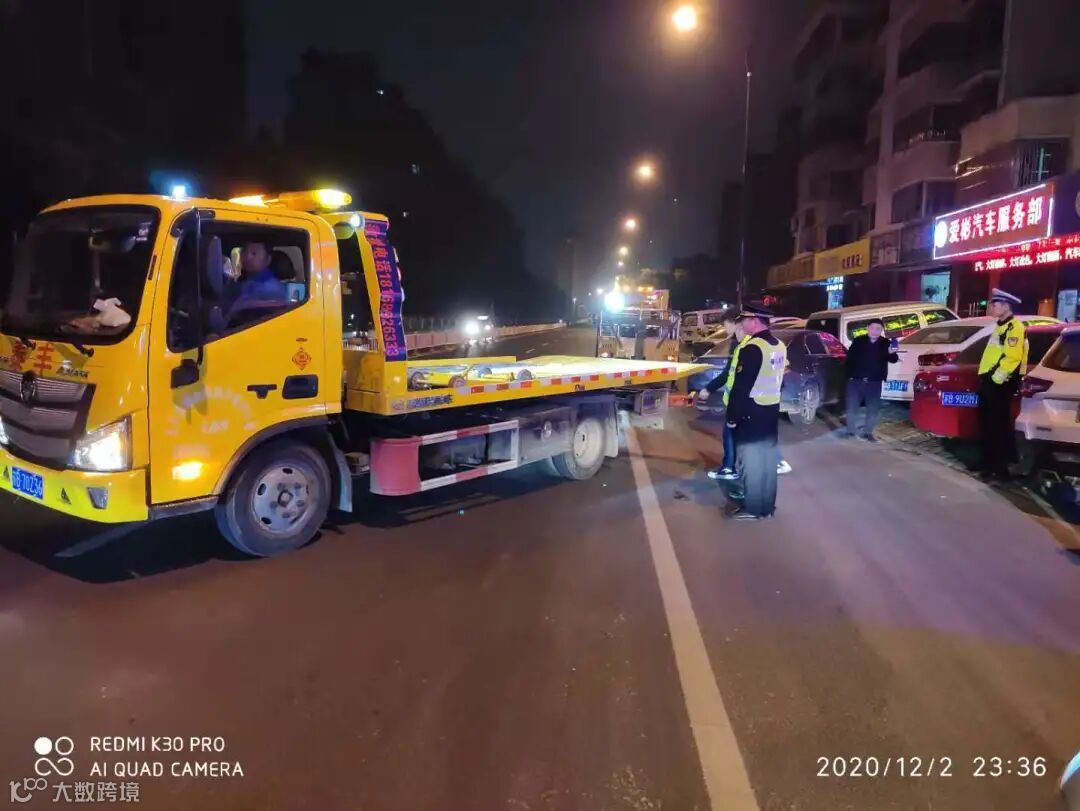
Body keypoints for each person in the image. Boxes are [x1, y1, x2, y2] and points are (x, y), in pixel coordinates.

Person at [724, 303, 786, 520]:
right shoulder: (779, 345)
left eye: (744, 320)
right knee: (768, 460)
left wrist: (732, 417)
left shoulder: (753, 348)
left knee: (750, 462)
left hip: (751, 411)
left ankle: (751, 508)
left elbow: (741, 387)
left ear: (755, 320)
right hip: (771, 411)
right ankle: (767, 507)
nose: (742, 324)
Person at [977, 288, 1028, 480]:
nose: (991, 308)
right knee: (988, 424)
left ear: (1006, 306)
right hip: (990, 381)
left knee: (997, 426)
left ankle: (998, 468)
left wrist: (995, 379)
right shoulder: (1000, 326)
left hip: (998, 384)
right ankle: (989, 462)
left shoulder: (1014, 327)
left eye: (995, 304)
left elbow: (1012, 357)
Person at [844, 318, 899, 441]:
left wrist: (891, 352)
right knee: (851, 407)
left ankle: (867, 432)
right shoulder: (858, 341)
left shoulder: (885, 343)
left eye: (878, 329)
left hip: (874, 382)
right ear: (868, 328)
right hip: (855, 381)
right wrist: (848, 376)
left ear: (881, 330)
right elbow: (849, 359)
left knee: (873, 409)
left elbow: (894, 359)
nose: (875, 331)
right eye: (873, 328)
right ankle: (850, 431)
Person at [227, 241, 288, 321]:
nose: (247, 257)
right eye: (244, 251)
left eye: (254, 253)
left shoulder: (271, 288)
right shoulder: (243, 282)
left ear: (268, 260)